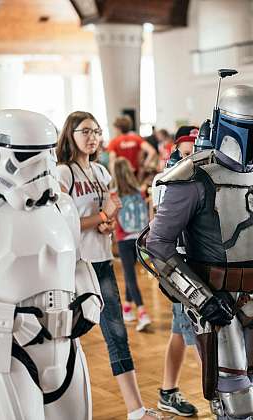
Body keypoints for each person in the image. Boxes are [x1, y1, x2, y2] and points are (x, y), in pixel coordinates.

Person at [145, 85, 253, 420]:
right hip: (217, 302)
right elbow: (157, 245)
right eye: (247, 128)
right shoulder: (193, 176)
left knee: (249, 387)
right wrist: (201, 298)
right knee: (237, 407)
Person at [0, 109, 104, 420]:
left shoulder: (64, 208)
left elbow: (75, 263)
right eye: (25, 154)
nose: (42, 165)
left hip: (69, 352)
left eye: (47, 153)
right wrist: (8, 320)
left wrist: (91, 300)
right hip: (10, 357)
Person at [56, 111, 169, 420]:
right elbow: (62, 224)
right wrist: (102, 217)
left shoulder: (101, 172)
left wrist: (108, 221)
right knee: (66, 339)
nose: (92, 137)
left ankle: (135, 409)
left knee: (117, 335)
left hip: (103, 262)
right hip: (74, 266)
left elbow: (111, 210)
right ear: (71, 134)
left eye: (96, 131)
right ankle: (65, 409)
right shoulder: (63, 173)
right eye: (85, 131)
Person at [153, 126, 200, 418]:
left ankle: (168, 391)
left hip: (195, 264)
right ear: (178, 146)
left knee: (180, 334)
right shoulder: (167, 178)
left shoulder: (200, 174)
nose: (194, 148)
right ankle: (226, 398)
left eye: (197, 143)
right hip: (180, 267)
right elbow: (161, 229)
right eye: (189, 143)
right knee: (198, 336)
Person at [112, 157, 152, 331]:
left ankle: (142, 313)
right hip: (139, 239)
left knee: (130, 276)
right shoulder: (139, 192)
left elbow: (114, 221)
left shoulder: (114, 196)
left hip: (123, 239)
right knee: (130, 276)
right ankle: (127, 308)